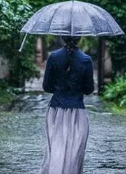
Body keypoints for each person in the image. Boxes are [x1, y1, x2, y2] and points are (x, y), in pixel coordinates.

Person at [40, 36, 94, 174]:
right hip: (77, 113)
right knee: (74, 153)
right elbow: (89, 90)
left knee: (56, 149)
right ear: (79, 38)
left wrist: (60, 89)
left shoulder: (53, 57)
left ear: (63, 38)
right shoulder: (86, 60)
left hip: (55, 111)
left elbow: (46, 86)